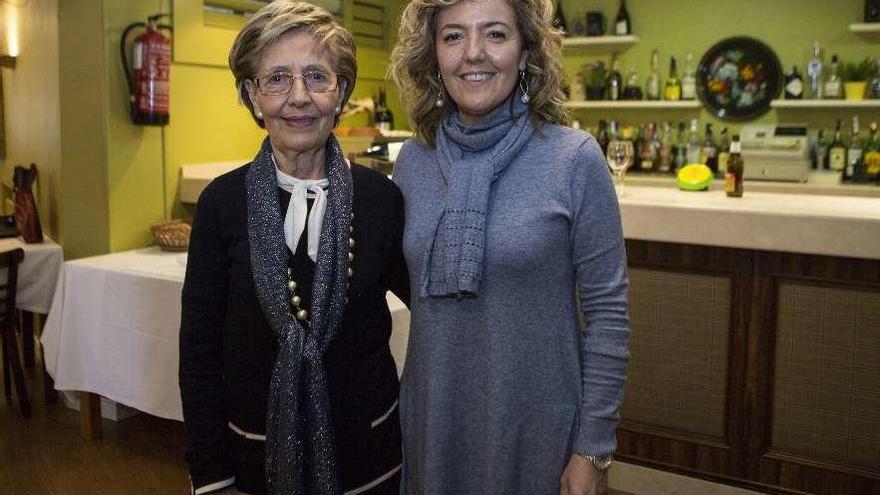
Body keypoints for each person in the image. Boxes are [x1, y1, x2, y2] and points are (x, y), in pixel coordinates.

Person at [389, 0, 629, 494]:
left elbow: (608, 313)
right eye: (453, 36)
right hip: (434, 423)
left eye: (495, 34)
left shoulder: (574, 159)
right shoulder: (413, 161)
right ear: (433, 54)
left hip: (537, 428)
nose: (473, 53)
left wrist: (593, 449)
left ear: (525, 52)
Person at [179, 2, 409, 494]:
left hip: (372, 462)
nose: (298, 97)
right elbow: (198, 352)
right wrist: (211, 474)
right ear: (251, 94)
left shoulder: (381, 200)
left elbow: (438, 314)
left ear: (342, 91)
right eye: (277, 78)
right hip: (251, 462)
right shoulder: (221, 203)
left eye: (317, 77)